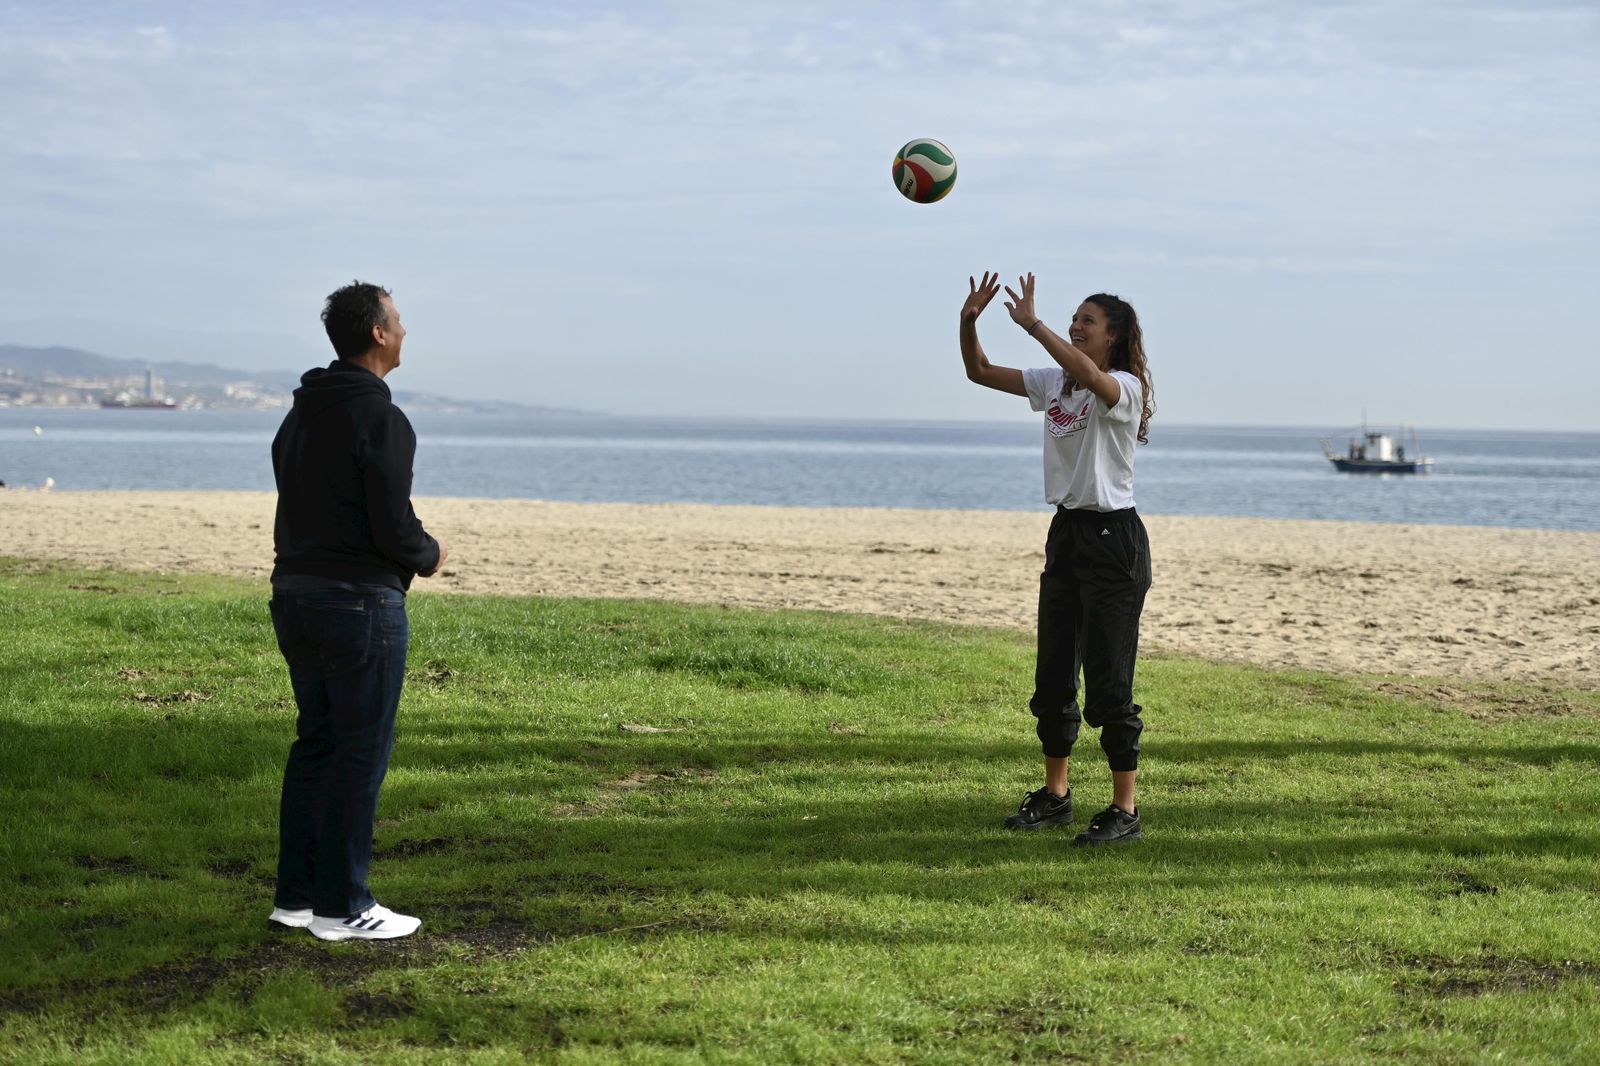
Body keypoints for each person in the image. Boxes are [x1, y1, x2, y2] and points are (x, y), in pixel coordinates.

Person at [266, 281, 448, 939]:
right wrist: (428, 553)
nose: (404, 332)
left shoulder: (301, 414)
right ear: (377, 333)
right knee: (358, 751)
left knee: (316, 743)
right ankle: (344, 907)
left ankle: (296, 899)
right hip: (358, 604)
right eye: (398, 321)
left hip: (295, 596)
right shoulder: (380, 418)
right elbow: (390, 525)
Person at [959, 272, 1155, 846]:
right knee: (1053, 676)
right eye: (1073, 318)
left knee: (1109, 681)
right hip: (1067, 533)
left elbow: (1093, 377)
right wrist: (969, 323)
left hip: (1114, 540)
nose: (1076, 324)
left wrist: (1035, 325)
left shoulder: (1122, 385)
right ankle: (1056, 795)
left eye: (1086, 321)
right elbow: (979, 371)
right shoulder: (1055, 384)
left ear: (1113, 337)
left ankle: (1124, 809)